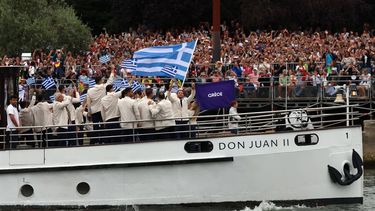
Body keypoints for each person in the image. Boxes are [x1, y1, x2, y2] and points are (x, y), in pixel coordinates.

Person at [86, 66, 115, 144]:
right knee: (103, 126)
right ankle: (103, 141)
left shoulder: (89, 90)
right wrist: (112, 70)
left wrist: (89, 112)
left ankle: (96, 141)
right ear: (99, 81)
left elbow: (88, 103)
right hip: (102, 110)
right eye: (102, 80)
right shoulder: (103, 87)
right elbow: (110, 80)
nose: (103, 80)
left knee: (95, 127)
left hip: (94, 110)